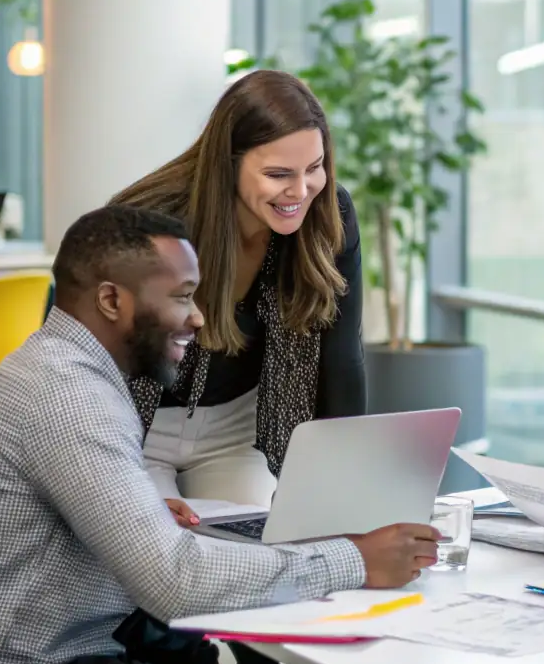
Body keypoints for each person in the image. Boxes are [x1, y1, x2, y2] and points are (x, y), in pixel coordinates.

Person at [0, 205, 438, 664]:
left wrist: (136, 510)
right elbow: (174, 582)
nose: (199, 319)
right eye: (181, 296)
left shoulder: (59, 368)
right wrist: (356, 559)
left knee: (194, 654)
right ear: (112, 301)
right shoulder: (71, 397)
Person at [111, 70, 364, 519]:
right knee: (152, 552)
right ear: (228, 165)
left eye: (314, 168)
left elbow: (341, 359)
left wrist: (344, 488)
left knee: (258, 545)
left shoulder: (330, 216)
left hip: (235, 432)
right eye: (278, 174)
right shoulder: (150, 224)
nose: (301, 191)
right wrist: (110, 482)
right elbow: (81, 365)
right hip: (136, 428)